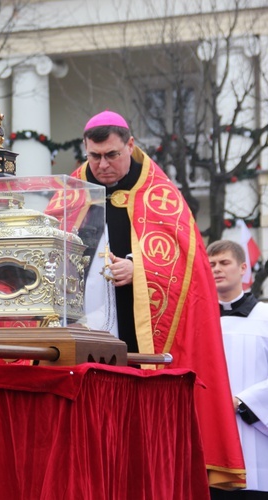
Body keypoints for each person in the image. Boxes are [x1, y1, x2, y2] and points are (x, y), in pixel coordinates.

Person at [64, 110, 245, 489]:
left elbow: (189, 272)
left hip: (137, 344)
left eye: (112, 155)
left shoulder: (161, 195)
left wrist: (139, 272)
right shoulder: (72, 191)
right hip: (82, 337)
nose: (102, 165)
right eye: (94, 156)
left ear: (130, 145)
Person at [207, 240, 268, 498]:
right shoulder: (197, 319)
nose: (217, 269)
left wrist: (243, 401)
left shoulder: (265, 316)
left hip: (256, 432)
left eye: (224, 263)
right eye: (211, 265)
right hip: (210, 433)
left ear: (243, 268)